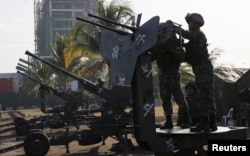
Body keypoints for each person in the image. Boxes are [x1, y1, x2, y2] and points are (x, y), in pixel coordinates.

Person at [176, 13, 217, 132]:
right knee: (208, 95)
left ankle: (205, 122)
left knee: (204, 95)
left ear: (197, 24)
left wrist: (176, 30)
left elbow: (187, 34)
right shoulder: (194, 39)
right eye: (189, 22)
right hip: (201, 68)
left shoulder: (198, 34)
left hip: (203, 68)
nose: (189, 24)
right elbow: (188, 55)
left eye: (191, 22)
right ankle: (212, 122)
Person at [153, 46, 191, 129]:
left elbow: (182, 58)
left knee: (179, 97)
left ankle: (187, 119)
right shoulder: (158, 46)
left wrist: (170, 49)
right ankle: (168, 121)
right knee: (165, 99)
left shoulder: (176, 46)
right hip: (163, 76)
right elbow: (153, 57)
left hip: (173, 76)